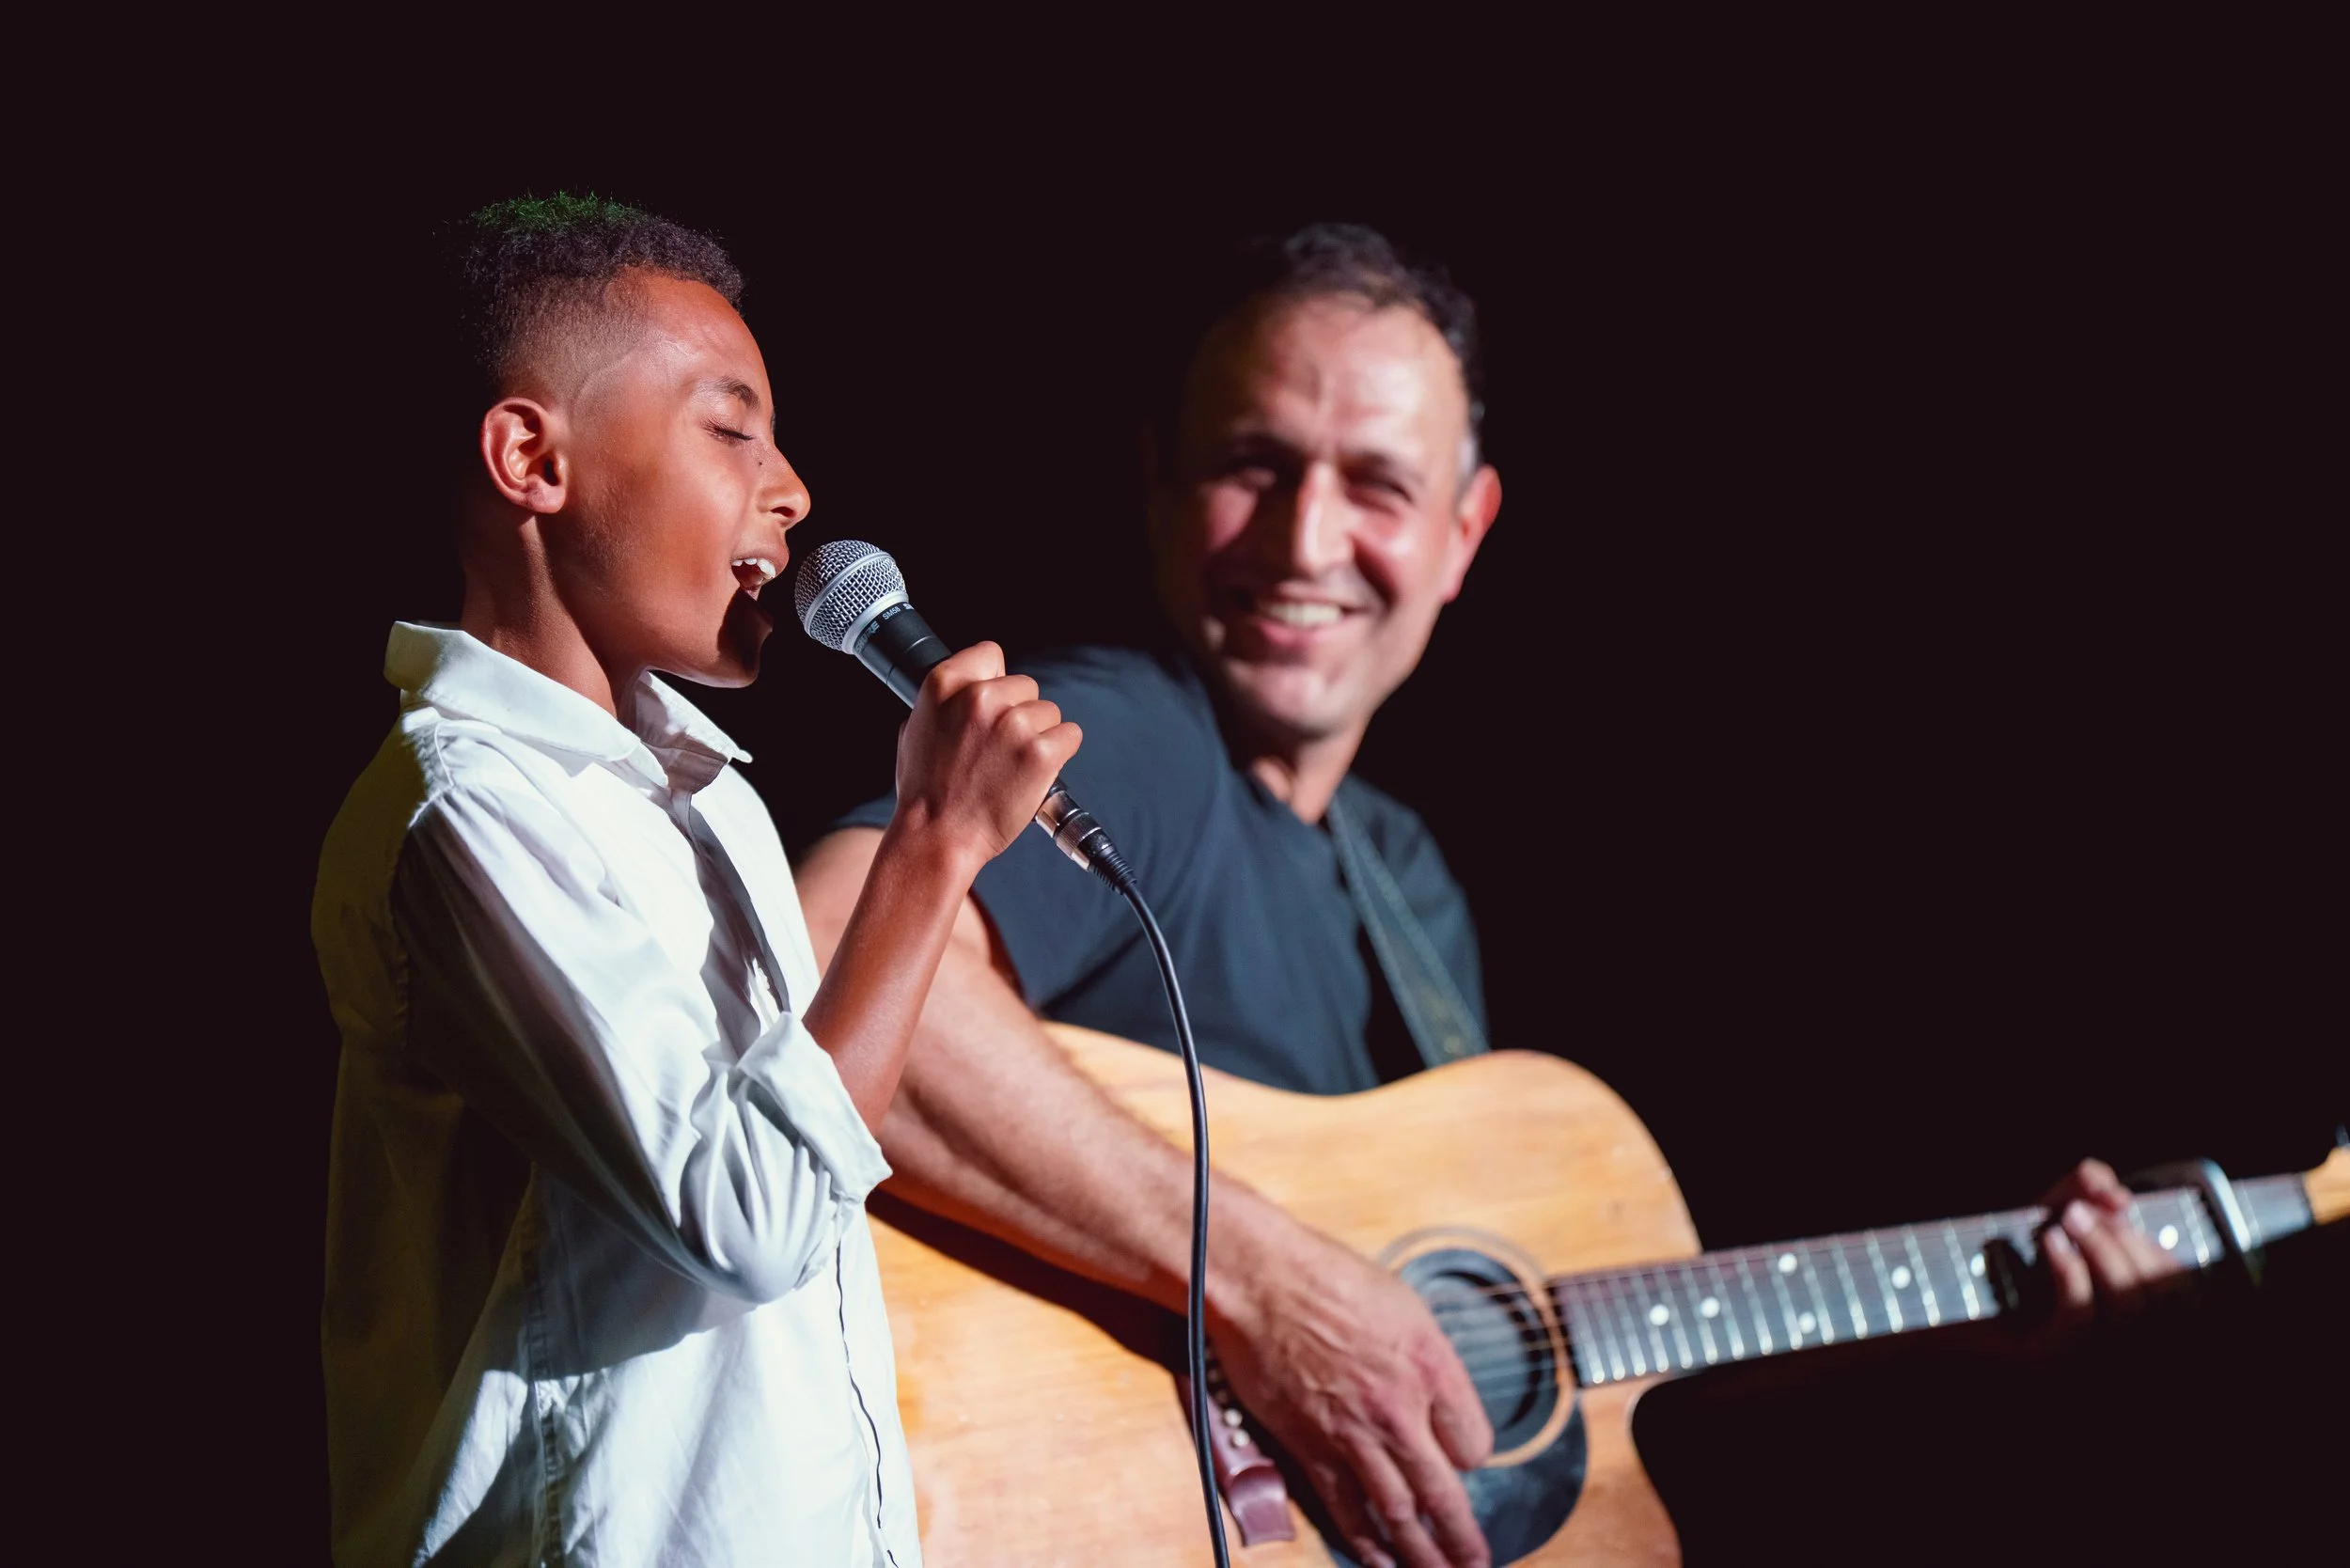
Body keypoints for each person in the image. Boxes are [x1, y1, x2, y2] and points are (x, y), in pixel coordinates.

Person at [793, 225, 2181, 1568]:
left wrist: (1964, 1318)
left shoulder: (1405, 881)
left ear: (1465, 534)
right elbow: (818, 976)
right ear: (1158, 482)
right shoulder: (1133, 737)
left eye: (1377, 487)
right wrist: (1277, 1295)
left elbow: (1531, 1368)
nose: (1305, 540)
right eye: (1252, 466)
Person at [312, 195, 1082, 1567]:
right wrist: (933, 848)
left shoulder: (708, 791)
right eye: (731, 428)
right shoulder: (463, 813)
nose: (790, 489)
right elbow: (747, 1215)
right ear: (530, 458)